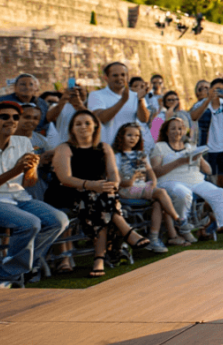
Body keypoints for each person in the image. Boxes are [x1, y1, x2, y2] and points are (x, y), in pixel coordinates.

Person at [46, 110, 157, 277]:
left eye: (87, 123)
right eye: (78, 124)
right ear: (72, 129)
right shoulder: (64, 148)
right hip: (67, 193)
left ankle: (101, 258)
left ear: (95, 127)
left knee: (102, 204)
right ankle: (122, 236)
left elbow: (113, 174)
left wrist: (113, 185)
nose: (83, 127)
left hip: (99, 194)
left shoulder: (104, 147)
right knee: (102, 202)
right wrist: (91, 185)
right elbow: (65, 178)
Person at [0, 102, 68, 288]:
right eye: (4, 116)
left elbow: (29, 183)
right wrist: (15, 171)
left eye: (15, 117)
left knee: (59, 220)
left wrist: (31, 170)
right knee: (30, 223)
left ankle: (15, 270)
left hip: (19, 197)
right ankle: (5, 279)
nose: (11, 121)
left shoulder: (23, 142)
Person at [149, 117, 223, 245]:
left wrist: (199, 158)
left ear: (185, 131)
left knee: (219, 193)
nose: (177, 131)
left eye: (180, 128)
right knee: (183, 193)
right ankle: (183, 226)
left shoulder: (190, 146)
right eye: (173, 128)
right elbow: (155, 171)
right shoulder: (160, 147)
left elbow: (208, 170)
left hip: (195, 181)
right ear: (166, 131)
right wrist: (179, 162)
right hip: (171, 181)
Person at [112, 123, 181, 252]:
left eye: (137, 136)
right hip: (127, 190)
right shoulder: (117, 157)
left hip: (142, 188)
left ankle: (153, 237)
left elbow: (150, 172)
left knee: (158, 202)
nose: (133, 138)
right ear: (121, 137)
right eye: (129, 135)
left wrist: (153, 183)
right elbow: (121, 182)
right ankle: (177, 218)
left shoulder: (141, 155)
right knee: (160, 193)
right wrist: (134, 176)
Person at [87, 62, 149, 146]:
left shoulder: (136, 95)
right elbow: (101, 118)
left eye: (123, 75)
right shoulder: (96, 95)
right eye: (115, 75)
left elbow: (144, 119)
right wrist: (122, 101)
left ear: (127, 77)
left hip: (128, 149)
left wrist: (140, 100)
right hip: (107, 147)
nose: (120, 78)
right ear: (106, 78)